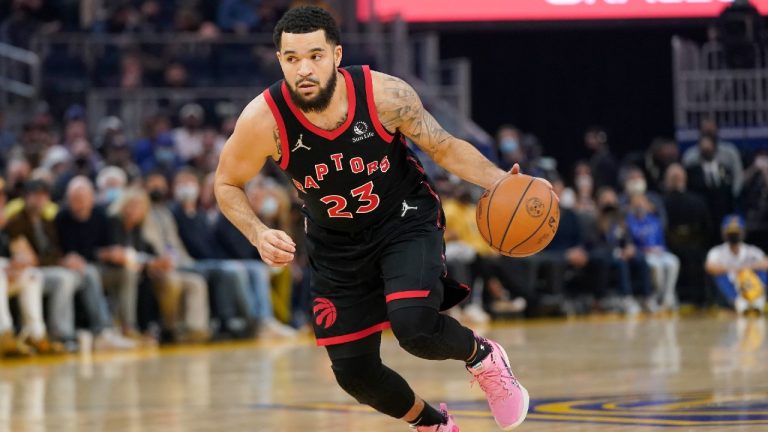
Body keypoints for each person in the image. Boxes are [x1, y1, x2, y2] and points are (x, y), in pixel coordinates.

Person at [214, 7, 536, 431]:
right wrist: (257, 232)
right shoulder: (263, 120)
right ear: (280, 61)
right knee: (353, 372)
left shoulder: (384, 95)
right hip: (335, 245)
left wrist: (496, 180)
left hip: (403, 220)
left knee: (414, 326)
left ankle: (483, 357)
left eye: (315, 55)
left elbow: (442, 146)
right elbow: (226, 183)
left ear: (336, 54)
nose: (304, 69)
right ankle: (435, 425)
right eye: (292, 59)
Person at [705, 215, 768, 315]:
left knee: (761, 273)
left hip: (750, 285)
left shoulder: (751, 250)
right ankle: (737, 303)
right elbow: (709, 267)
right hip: (732, 286)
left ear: (743, 231)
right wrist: (734, 269)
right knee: (720, 276)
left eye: (736, 231)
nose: (734, 235)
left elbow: (766, 263)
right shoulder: (717, 251)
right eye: (730, 232)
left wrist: (747, 268)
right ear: (724, 232)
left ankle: (758, 302)